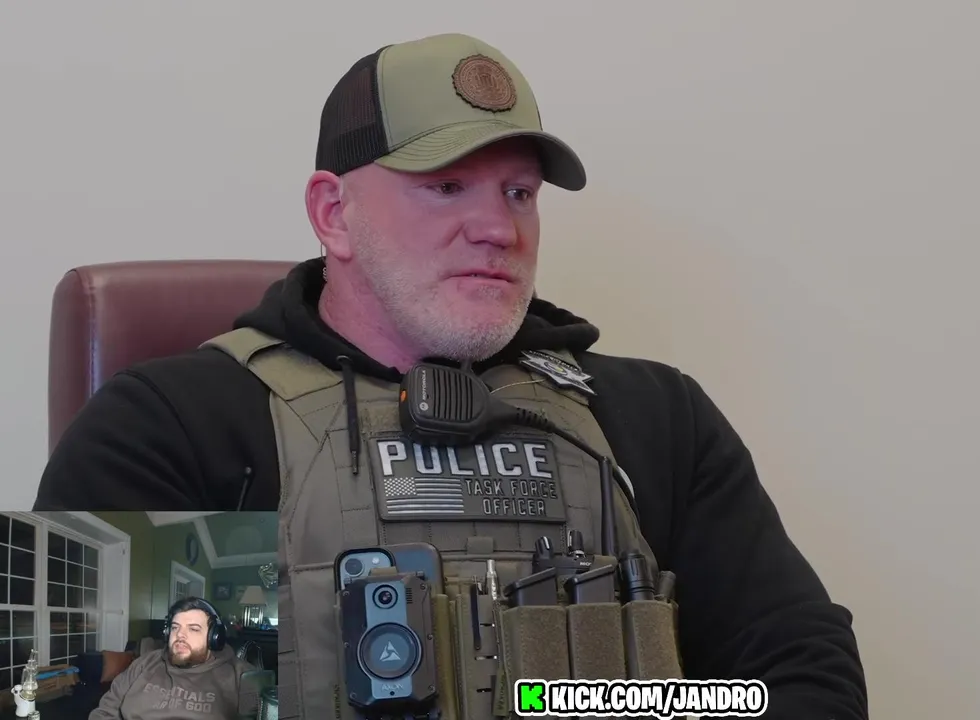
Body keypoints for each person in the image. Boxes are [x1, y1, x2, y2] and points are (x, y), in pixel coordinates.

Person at [37, 33, 868, 718]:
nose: (498, 229)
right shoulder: (180, 424)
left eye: (519, 193)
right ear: (333, 214)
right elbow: (73, 697)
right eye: (446, 186)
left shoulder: (650, 418)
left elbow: (807, 678)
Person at [89, 597, 254, 720]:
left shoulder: (242, 677)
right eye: (175, 628)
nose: (180, 635)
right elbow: (105, 711)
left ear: (214, 637)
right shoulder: (145, 663)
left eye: (193, 629)